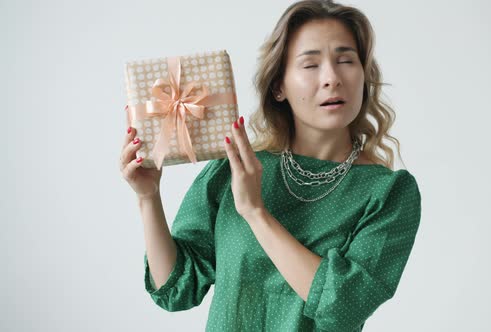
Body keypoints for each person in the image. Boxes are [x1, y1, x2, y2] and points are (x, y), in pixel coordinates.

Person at [119, 0, 422, 330]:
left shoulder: (389, 193)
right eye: (310, 65)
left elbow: (343, 305)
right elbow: (175, 290)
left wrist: (255, 212)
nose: (332, 78)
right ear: (279, 86)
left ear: (364, 76)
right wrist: (148, 196)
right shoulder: (235, 168)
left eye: (346, 60)